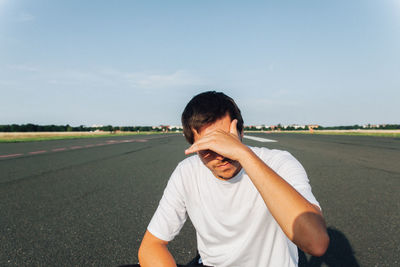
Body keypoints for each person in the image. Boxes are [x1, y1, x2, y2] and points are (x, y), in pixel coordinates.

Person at [138, 91, 329, 267]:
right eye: (207, 147)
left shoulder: (279, 163)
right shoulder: (186, 172)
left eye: (225, 141)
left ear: (241, 133)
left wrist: (243, 155)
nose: (220, 154)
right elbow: (152, 245)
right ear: (193, 145)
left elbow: (316, 243)